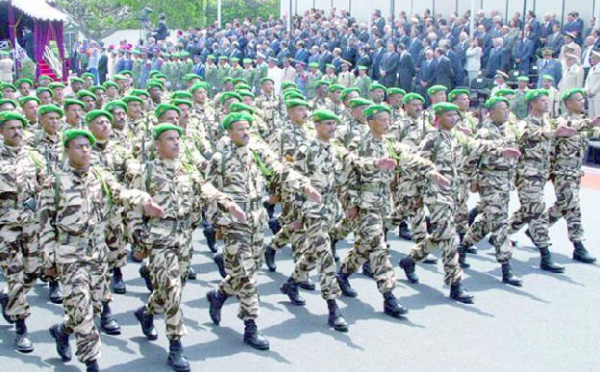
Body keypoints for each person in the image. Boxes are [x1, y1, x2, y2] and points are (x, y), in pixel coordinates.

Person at [40, 129, 164, 372]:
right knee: (84, 312)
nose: (85, 150)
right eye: (79, 146)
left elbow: (121, 194)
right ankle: (92, 363)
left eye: (88, 146)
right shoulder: (54, 182)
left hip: (97, 253)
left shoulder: (100, 176)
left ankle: (62, 330)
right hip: (69, 254)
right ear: (67, 149)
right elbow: (44, 223)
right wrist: (48, 259)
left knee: (93, 306)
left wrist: (142, 200)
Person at [206, 112, 320, 351]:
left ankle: (219, 294)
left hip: (258, 219)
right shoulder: (220, 158)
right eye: (239, 129)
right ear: (229, 132)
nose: (245, 133)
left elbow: (280, 170)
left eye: (247, 128)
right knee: (248, 277)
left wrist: (304, 185)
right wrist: (217, 221)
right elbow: (209, 190)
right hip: (234, 223)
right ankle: (251, 326)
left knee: (249, 269)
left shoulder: (258, 153)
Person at [507, 90, 577, 273]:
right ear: (532, 104)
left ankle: (502, 232)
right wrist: (554, 133)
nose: (546, 103)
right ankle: (545, 255)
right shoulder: (524, 124)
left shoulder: (549, 123)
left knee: (527, 210)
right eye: (542, 100)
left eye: (547, 100)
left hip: (542, 174)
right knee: (537, 211)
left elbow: (553, 145)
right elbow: (529, 135)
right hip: (527, 176)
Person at [458, 97, 524, 286]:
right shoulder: (484, 133)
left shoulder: (510, 130)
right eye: (502, 109)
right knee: (500, 222)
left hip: (504, 182)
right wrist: (471, 180)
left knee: (488, 220)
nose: (506, 112)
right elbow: (470, 158)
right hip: (489, 181)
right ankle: (506, 265)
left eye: (507, 109)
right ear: (491, 112)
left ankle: (463, 246)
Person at [0, 112, 45, 353]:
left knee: (31, 274)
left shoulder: (34, 158)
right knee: (15, 274)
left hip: (31, 223)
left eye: (19, 128)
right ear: (1, 132)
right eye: (11, 128)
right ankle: (21, 326)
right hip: (5, 227)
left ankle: (8, 299)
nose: (16, 132)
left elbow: (43, 186)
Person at [547, 89, 598, 264]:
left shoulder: (584, 122)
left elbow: (593, 133)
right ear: (568, 103)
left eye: (583, 99)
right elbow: (569, 130)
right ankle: (578, 245)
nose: (582, 102)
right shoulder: (561, 121)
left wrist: (592, 126)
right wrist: (591, 124)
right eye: (578, 99)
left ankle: (535, 228)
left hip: (576, 172)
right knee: (573, 206)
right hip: (562, 172)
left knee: (563, 206)